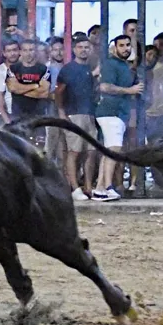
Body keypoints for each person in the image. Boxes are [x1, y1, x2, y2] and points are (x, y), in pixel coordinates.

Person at [92, 35, 143, 201]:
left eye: (128, 45)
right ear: (114, 48)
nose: (126, 48)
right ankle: (107, 187)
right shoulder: (111, 64)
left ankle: (100, 189)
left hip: (118, 113)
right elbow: (105, 86)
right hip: (110, 112)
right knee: (113, 150)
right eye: (122, 45)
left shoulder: (124, 66)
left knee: (109, 150)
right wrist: (131, 90)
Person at [55, 34, 99, 200]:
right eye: (80, 47)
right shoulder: (68, 69)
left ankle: (88, 186)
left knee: (91, 151)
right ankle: (75, 188)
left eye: (86, 47)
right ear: (74, 50)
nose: (83, 50)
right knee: (74, 151)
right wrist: (61, 112)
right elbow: (59, 91)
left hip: (89, 114)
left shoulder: (91, 68)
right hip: (73, 114)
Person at [0, 39, 21, 127]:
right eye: (9, 51)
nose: (12, 54)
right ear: (4, 53)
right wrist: (8, 123)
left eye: (15, 50)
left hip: (19, 115)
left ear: (19, 51)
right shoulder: (0, 71)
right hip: (4, 116)